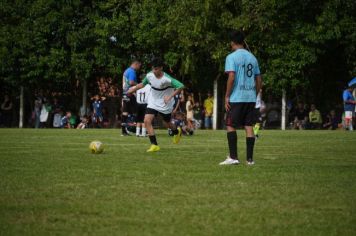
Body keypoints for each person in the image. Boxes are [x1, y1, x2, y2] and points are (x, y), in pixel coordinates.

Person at [219, 31, 262, 165]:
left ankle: (233, 157)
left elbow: (231, 77)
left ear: (232, 42)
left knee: (230, 124)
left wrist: (227, 96)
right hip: (250, 97)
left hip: (237, 97)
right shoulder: (253, 58)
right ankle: (250, 160)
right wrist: (255, 94)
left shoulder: (231, 57)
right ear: (243, 42)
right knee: (248, 126)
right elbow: (259, 79)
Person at [127, 57, 184, 152]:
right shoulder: (150, 75)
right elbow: (142, 84)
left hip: (165, 103)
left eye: (156, 69)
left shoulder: (167, 79)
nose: (154, 71)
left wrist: (170, 96)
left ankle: (176, 131)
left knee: (166, 123)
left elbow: (181, 86)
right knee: (146, 120)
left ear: (161, 68)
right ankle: (154, 145)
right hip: (153, 102)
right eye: (153, 68)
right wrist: (133, 89)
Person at [121, 60, 141, 136]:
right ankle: (133, 129)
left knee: (125, 112)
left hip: (125, 93)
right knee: (137, 110)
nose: (139, 68)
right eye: (139, 66)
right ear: (135, 64)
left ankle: (124, 131)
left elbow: (125, 82)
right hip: (130, 93)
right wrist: (140, 84)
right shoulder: (132, 71)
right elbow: (131, 82)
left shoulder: (126, 71)